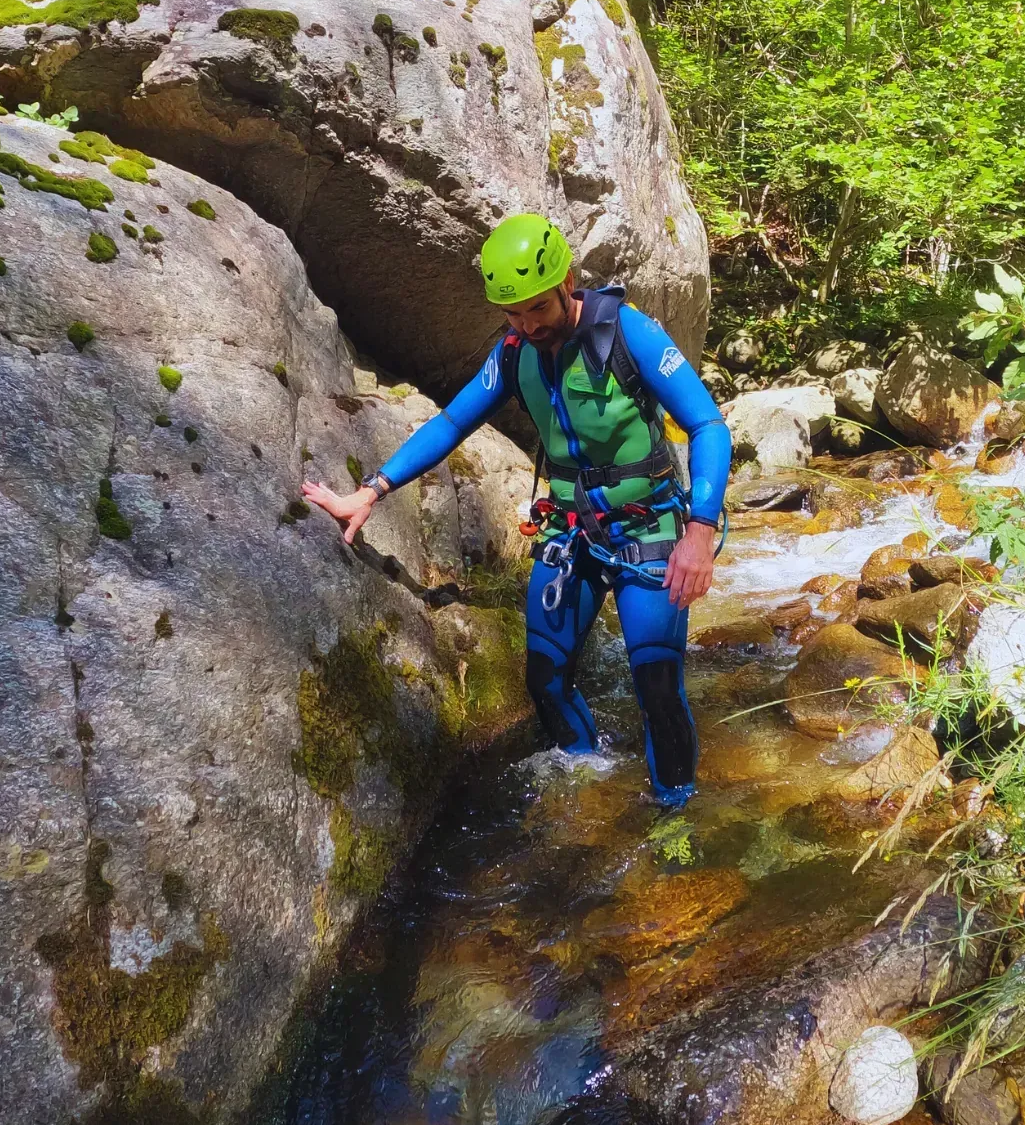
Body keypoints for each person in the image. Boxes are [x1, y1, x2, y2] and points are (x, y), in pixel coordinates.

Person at [302, 214, 732, 804]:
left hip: (649, 527)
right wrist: (371, 490)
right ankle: (585, 778)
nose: (528, 325)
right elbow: (453, 422)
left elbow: (708, 425)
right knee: (545, 679)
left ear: (568, 285)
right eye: (513, 314)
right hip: (571, 529)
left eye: (538, 310)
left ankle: (675, 814)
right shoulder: (513, 354)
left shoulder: (628, 334)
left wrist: (700, 531)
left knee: (655, 683)